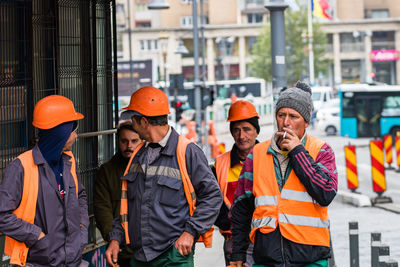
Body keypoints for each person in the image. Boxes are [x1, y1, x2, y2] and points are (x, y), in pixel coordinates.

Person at [105, 86, 223, 267]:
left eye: (133, 120)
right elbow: (128, 205)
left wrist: (190, 232)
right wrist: (116, 239)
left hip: (173, 257)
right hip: (140, 256)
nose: (132, 125)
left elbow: (212, 196)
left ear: (143, 122)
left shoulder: (186, 152)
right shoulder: (137, 155)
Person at [230, 81, 338, 267]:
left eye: (293, 116)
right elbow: (241, 209)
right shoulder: (257, 154)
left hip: (310, 259)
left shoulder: (321, 150)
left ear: (306, 121)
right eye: (281, 115)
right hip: (267, 259)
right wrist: (237, 254)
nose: (286, 122)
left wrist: (297, 152)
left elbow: (326, 193)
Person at [0, 95, 89, 266]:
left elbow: (81, 196)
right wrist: (36, 236)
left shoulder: (68, 161)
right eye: (72, 130)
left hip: (73, 261)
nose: (76, 136)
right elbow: (2, 215)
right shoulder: (20, 167)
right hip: (38, 262)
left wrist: (82, 229)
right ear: (59, 133)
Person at [212, 100, 260, 266]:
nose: (241, 136)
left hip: (266, 238)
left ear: (256, 131)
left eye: (246, 129)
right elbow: (210, 201)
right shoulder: (219, 165)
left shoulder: (270, 158)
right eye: (236, 130)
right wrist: (229, 224)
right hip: (233, 240)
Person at [94, 121, 141, 266]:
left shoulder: (151, 168)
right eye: (124, 141)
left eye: (134, 141)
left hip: (149, 250)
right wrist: (113, 239)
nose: (129, 146)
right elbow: (102, 209)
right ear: (117, 141)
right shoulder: (106, 171)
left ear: (142, 141)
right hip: (120, 250)